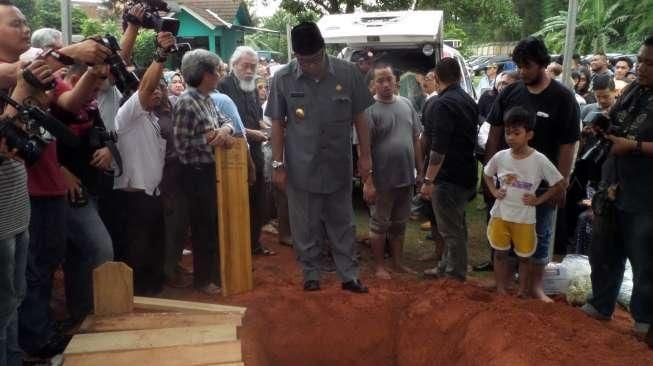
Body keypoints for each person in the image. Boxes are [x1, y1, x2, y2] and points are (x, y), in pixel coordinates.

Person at [266, 22, 373, 293]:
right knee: (304, 224)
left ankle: (348, 275)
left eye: (314, 59)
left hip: (338, 165)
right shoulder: (282, 78)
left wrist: (365, 158)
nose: (310, 66)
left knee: (343, 222)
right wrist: (277, 164)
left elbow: (361, 118)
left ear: (323, 49)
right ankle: (310, 273)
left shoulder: (348, 74)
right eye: (303, 61)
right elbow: (277, 123)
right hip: (301, 166)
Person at [486, 36, 580, 302]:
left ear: (542, 63)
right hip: (508, 183)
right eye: (519, 65)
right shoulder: (510, 92)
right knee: (504, 233)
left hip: (541, 184)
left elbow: (568, 143)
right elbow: (495, 130)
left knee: (540, 234)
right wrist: (491, 171)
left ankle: (534, 287)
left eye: (527, 65)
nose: (522, 71)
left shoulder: (562, 98)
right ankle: (503, 286)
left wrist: (560, 182)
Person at [582, 35, 653, 338]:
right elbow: (616, 119)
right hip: (613, 183)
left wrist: (635, 146)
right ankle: (601, 305)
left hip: (645, 193)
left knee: (645, 257)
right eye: (641, 60)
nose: (643, 67)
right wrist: (601, 124)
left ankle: (645, 320)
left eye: (650, 63)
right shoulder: (633, 89)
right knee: (604, 249)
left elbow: (635, 140)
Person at [113, 32, 176, 295]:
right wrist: (160, 56)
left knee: (154, 252)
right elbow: (145, 88)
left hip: (152, 195)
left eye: (162, 87)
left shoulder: (152, 117)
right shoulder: (127, 113)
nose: (158, 91)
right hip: (134, 196)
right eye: (154, 87)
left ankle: (153, 295)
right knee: (137, 255)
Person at [484, 106, 565, 297]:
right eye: (508, 132)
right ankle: (501, 288)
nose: (511, 137)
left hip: (525, 218)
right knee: (500, 253)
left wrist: (539, 199)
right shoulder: (500, 156)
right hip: (501, 214)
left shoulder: (539, 160)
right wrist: (494, 190)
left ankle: (522, 291)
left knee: (525, 256)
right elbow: (487, 174)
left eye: (516, 133)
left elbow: (560, 183)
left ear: (529, 135)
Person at [173, 49, 235, 295]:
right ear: (204, 74)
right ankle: (203, 280)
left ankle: (215, 274)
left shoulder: (207, 98)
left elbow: (226, 121)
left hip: (211, 170)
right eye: (216, 71)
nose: (219, 76)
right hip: (195, 174)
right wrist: (213, 140)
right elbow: (181, 145)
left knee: (214, 223)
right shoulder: (187, 101)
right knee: (203, 227)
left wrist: (223, 132)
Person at [419, 57, 478, 281]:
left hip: (448, 175)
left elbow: (439, 148)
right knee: (457, 224)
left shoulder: (442, 104)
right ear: (460, 75)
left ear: (437, 77)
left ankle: (455, 275)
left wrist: (428, 180)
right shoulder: (468, 100)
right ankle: (445, 267)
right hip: (466, 172)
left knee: (450, 230)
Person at [363, 64, 423, 279]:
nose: (386, 84)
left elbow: (416, 139)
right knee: (379, 224)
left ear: (396, 80)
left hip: (406, 177)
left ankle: (397, 263)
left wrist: (421, 171)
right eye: (380, 80)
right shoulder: (369, 110)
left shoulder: (406, 104)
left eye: (389, 78)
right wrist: (368, 182)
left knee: (399, 223)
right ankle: (379, 266)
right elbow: (364, 149)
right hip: (382, 180)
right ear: (372, 85)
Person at [218, 46, 276, 256]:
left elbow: (257, 117)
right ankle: (238, 247)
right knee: (237, 200)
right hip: (233, 151)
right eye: (246, 66)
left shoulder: (251, 86)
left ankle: (254, 243)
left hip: (257, 151)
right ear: (234, 65)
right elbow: (225, 122)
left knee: (257, 199)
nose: (250, 70)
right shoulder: (222, 86)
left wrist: (269, 128)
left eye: (254, 66)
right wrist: (253, 134)